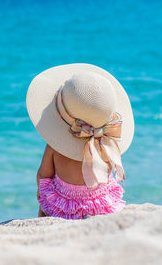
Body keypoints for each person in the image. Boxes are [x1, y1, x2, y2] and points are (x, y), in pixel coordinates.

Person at [26, 64, 134, 219]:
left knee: (46, 195)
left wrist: (41, 196)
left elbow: (44, 175)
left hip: (65, 207)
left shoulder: (55, 147)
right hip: (100, 206)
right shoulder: (107, 144)